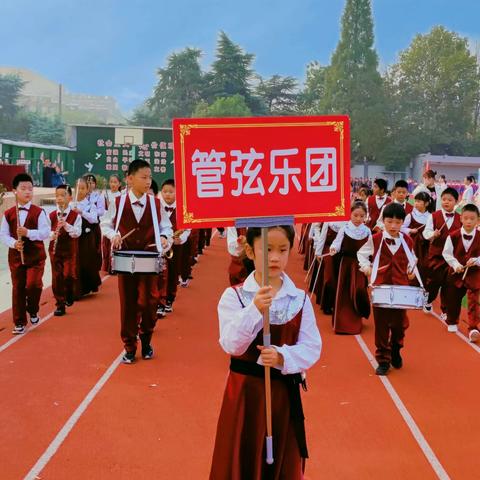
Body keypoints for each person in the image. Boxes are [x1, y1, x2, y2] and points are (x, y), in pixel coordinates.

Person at [210, 225, 322, 479]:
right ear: (250, 251)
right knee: (242, 458)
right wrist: (255, 310)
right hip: (245, 396)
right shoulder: (235, 297)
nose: (275, 257)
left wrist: (283, 357)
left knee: (280, 462)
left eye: (282, 250)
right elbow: (230, 344)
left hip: (283, 396)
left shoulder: (299, 300)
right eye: (267, 249)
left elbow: (312, 346)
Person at [101, 160, 173, 364]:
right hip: (126, 261)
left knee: (150, 302)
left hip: (149, 260)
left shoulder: (155, 203)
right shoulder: (118, 202)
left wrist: (166, 237)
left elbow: (165, 227)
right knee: (129, 305)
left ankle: (147, 339)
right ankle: (130, 346)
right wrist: (113, 235)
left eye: (150, 177)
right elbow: (105, 223)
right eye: (144, 177)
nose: (148, 181)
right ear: (130, 179)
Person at [357, 203, 419, 375]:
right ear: (383, 221)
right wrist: (366, 267)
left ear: (402, 223)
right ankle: (383, 359)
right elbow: (361, 254)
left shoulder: (407, 240)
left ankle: (396, 348)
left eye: (398, 222)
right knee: (382, 324)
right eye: (390, 221)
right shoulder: (375, 238)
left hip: (401, 288)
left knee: (400, 323)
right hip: (381, 286)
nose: (393, 226)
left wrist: (411, 270)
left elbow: (412, 258)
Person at [0, 173, 50, 334]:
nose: (28, 192)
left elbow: (45, 232)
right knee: (18, 288)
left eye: (30, 188)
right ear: (15, 191)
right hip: (16, 257)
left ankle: (33, 309)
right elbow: (3, 235)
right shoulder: (8, 214)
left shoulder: (39, 212)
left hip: (35, 256)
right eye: (23, 188)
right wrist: (14, 243)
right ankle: (19, 322)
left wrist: (28, 232)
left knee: (34, 285)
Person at [329, 202, 371, 334]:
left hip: (360, 265)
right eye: (356, 215)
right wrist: (333, 248)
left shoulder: (367, 231)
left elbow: (371, 249)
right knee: (344, 292)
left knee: (359, 290)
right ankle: (342, 323)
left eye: (362, 216)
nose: (358, 219)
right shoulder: (345, 228)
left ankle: (357, 316)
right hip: (346, 264)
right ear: (350, 214)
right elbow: (337, 243)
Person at [442, 204, 480, 338]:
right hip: (456, 273)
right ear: (461, 219)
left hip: (474, 274)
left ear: (478, 221)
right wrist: (455, 264)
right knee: (453, 298)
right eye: (466, 218)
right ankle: (452, 321)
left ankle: (473, 328)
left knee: (474, 300)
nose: (469, 221)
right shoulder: (452, 236)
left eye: (472, 219)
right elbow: (446, 254)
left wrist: (476, 260)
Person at [423, 187, 461, 318]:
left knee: (449, 284)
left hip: (452, 258)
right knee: (433, 282)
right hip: (436, 256)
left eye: (450, 200)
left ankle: (445, 310)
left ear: (456, 201)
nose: (446, 202)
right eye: (444, 199)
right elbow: (426, 233)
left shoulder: (461, 219)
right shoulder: (434, 216)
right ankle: (428, 299)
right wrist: (433, 234)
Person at [48, 184, 82, 316]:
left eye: (63, 195)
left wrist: (66, 225)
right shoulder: (50, 215)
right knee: (57, 278)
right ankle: (60, 304)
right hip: (54, 250)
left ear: (70, 198)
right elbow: (45, 232)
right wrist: (52, 235)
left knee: (69, 275)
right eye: (57, 196)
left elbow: (77, 233)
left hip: (69, 250)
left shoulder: (75, 216)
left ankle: (69, 294)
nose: (59, 198)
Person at [159, 178, 190, 314]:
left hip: (176, 247)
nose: (167, 194)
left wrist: (181, 239)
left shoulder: (183, 208)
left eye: (171, 192)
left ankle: (170, 299)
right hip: (161, 246)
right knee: (160, 273)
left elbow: (188, 228)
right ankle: (160, 300)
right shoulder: (157, 206)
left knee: (172, 272)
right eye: (165, 191)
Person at [73, 177, 101, 296]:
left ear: (87, 190)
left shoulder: (90, 205)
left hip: (86, 237)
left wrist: (81, 212)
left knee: (86, 262)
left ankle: (86, 286)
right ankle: (75, 289)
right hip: (74, 237)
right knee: (74, 263)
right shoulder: (71, 204)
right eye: (78, 188)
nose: (80, 191)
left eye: (83, 188)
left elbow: (94, 219)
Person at [401, 192, 432, 282]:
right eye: (415, 201)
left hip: (425, 247)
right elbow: (401, 228)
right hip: (413, 245)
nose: (416, 203)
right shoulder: (411, 215)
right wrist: (410, 230)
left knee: (423, 267)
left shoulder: (431, 217)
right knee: (411, 264)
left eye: (419, 201)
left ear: (426, 204)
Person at [101, 174, 123, 272]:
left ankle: (115, 267)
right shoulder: (105, 195)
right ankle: (107, 267)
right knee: (106, 247)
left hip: (117, 224)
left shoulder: (121, 196)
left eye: (115, 182)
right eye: (111, 182)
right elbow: (102, 211)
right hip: (108, 223)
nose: (113, 184)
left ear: (119, 184)